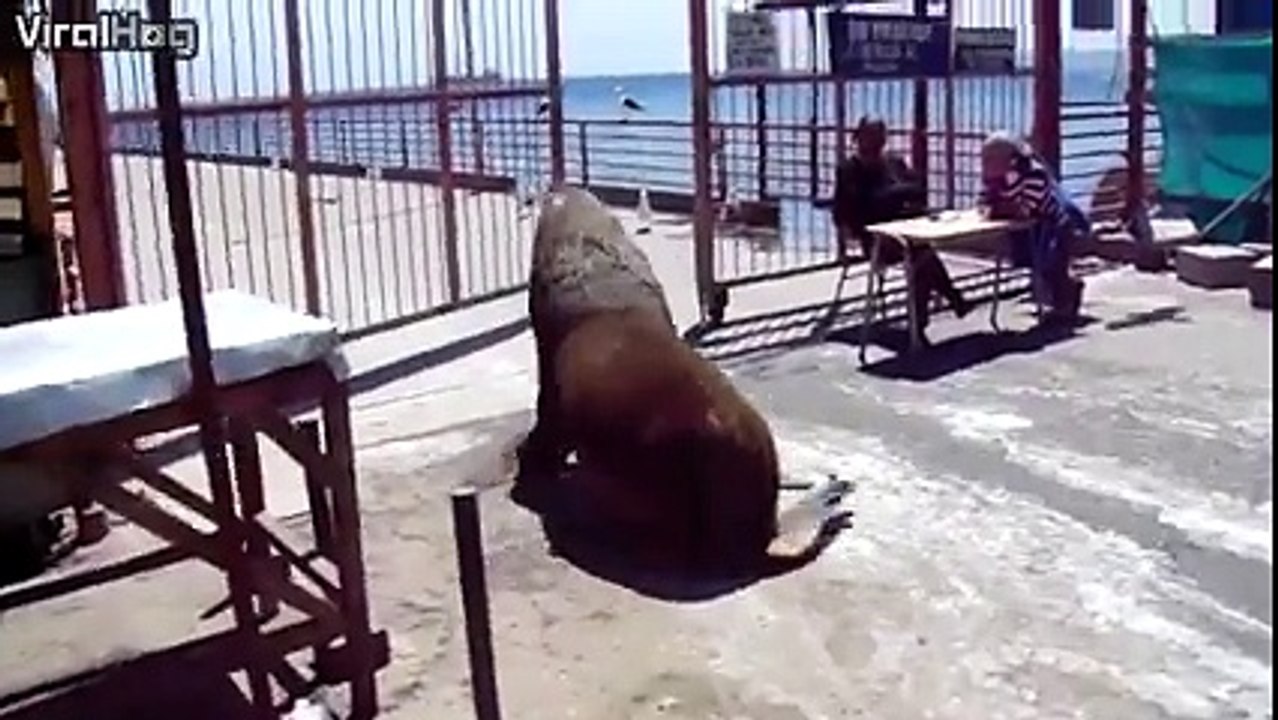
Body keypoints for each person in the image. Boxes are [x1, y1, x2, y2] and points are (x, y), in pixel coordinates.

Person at [832, 117, 970, 342]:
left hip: (903, 227)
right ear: (859, 138)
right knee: (920, 255)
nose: (877, 141)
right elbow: (859, 206)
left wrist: (893, 195)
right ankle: (945, 303)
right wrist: (894, 195)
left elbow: (916, 189)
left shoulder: (893, 163)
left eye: (881, 135)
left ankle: (923, 319)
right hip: (874, 237)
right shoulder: (849, 170)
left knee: (920, 252)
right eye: (871, 136)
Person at [979, 132, 1088, 320]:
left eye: (991, 159)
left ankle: (1068, 298)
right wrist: (996, 206)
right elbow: (984, 203)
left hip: (1051, 224)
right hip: (1026, 227)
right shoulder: (995, 180)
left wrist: (1000, 207)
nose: (985, 164)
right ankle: (1062, 300)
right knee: (1033, 262)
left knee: (1052, 263)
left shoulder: (1034, 174)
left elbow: (1025, 209)